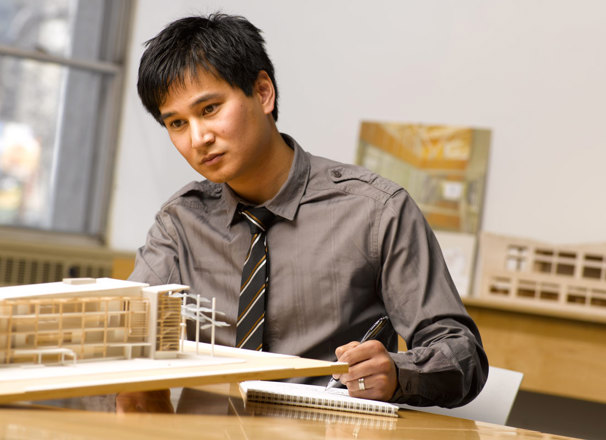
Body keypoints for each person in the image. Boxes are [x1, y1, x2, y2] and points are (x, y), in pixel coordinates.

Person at [120, 13, 488, 412]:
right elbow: (126, 336)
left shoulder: (376, 212)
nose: (198, 138)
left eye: (209, 109)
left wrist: (398, 373)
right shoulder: (180, 224)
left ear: (263, 93)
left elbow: (461, 353)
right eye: (177, 123)